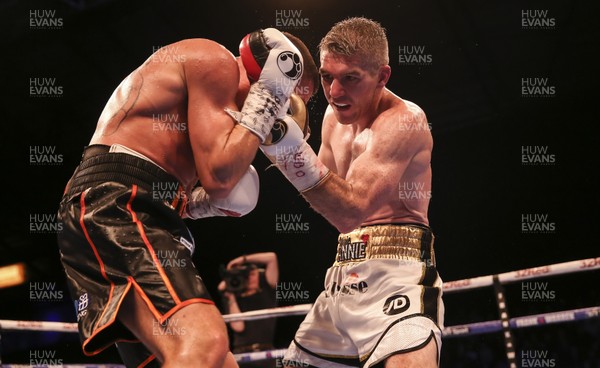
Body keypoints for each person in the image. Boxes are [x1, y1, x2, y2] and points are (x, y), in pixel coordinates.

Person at [56, 27, 319, 368]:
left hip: (127, 211)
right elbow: (221, 177)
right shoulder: (213, 60)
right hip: (117, 206)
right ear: (269, 67)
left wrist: (194, 203)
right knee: (205, 342)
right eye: (287, 96)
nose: (281, 111)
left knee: (219, 363)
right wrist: (267, 96)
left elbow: (190, 180)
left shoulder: (207, 120)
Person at [259, 17, 444, 368]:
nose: (334, 92)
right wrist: (281, 144)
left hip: (397, 276)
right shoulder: (332, 117)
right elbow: (327, 197)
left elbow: (352, 209)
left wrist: (288, 150)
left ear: (382, 76)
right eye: (327, 77)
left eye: (350, 79)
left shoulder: (405, 120)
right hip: (343, 274)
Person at [218, 252, 279, 368]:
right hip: (242, 354)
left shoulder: (268, 288)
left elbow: (272, 257)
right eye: (245, 275)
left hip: (266, 353)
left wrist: (243, 259)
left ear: (259, 274)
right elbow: (238, 326)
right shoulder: (233, 296)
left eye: (252, 273)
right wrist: (230, 297)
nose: (249, 277)